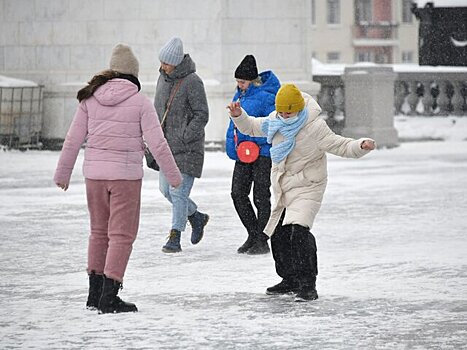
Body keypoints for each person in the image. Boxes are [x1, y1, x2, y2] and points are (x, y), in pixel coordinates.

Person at [54, 43, 182, 314]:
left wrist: (62, 173)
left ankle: (94, 295)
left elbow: (72, 139)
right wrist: (173, 176)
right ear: (133, 75)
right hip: (125, 178)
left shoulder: (89, 99)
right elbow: (158, 143)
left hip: (95, 177)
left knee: (98, 233)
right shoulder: (140, 102)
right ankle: (109, 297)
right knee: (121, 236)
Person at [227, 84, 376, 302]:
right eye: (282, 111)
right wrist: (239, 115)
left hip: (309, 185)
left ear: (298, 108)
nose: (285, 115)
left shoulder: (314, 127)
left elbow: (339, 144)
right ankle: (289, 279)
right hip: (284, 187)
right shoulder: (275, 121)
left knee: (298, 232)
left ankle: (308, 284)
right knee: (277, 234)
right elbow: (252, 127)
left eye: (290, 111)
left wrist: (360, 145)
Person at [154, 37, 210, 253]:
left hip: (187, 148)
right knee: (165, 190)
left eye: (166, 63)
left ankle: (175, 236)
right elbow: (158, 110)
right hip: (165, 148)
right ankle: (196, 216)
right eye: (161, 62)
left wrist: (186, 135)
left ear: (176, 62)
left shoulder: (193, 81)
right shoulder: (162, 79)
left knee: (178, 192)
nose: (162, 66)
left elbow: (202, 114)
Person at [225, 55, 280, 255]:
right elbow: (235, 124)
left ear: (252, 80)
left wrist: (256, 142)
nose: (239, 85)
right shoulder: (239, 95)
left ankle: (262, 239)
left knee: (260, 197)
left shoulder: (267, 97)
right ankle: (253, 233)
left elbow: (272, 125)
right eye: (238, 82)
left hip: (263, 153)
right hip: (244, 153)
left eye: (242, 82)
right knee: (237, 194)